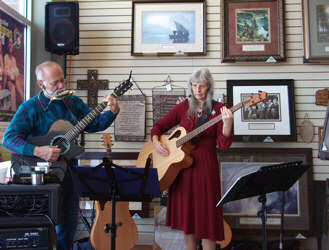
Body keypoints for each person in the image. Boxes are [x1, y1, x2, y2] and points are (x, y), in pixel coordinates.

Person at [2, 61, 120, 250]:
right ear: (41, 84)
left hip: (69, 172)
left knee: (67, 225)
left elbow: (93, 124)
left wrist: (112, 112)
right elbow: (8, 139)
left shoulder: (72, 103)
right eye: (54, 83)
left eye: (62, 81)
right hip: (37, 177)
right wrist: (38, 150)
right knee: (40, 228)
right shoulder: (30, 107)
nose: (61, 87)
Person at [151, 67, 233, 250]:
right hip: (182, 170)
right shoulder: (183, 107)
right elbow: (158, 126)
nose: (197, 90)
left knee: (207, 219)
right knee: (187, 220)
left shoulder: (219, 110)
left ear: (209, 87)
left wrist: (227, 124)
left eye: (202, 86)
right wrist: (156, 142)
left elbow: (223, 144)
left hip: (205, 169)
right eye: (194, 86)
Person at [3, 37, 24, 111]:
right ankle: (13, 113)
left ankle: (26, 109)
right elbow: (6, 71)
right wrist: (11, 77)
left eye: (11, 43)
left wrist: (14, 77)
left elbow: (16, 71)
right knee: (12, 90)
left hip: (14, 80)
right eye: (9, 43)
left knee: (20, 91)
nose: (10, 45)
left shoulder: (14, 59)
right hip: (9, 80)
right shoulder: (6, 57)